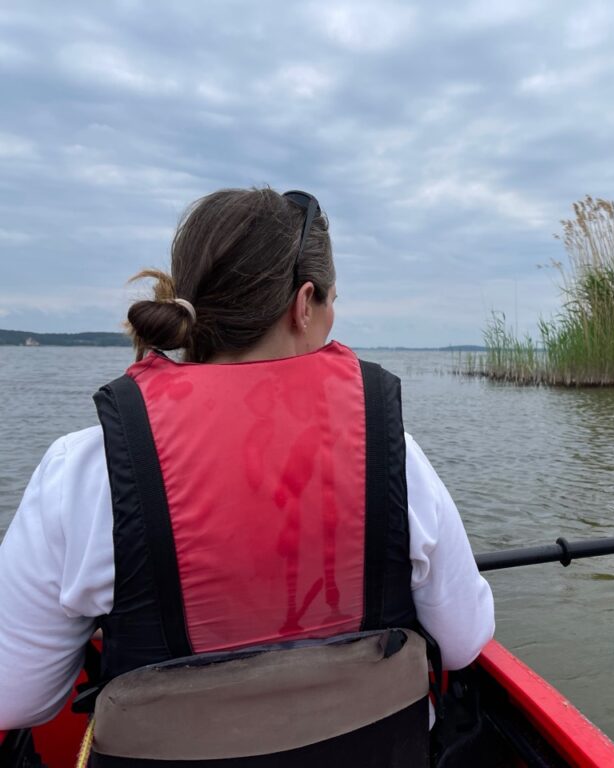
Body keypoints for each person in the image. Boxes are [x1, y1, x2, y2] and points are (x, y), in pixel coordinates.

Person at [0, 187, 495, 764]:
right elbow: (463, 641)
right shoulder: (392, 455)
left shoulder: (83, 470)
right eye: (333, 301)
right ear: (304, 304)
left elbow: (15, 699)